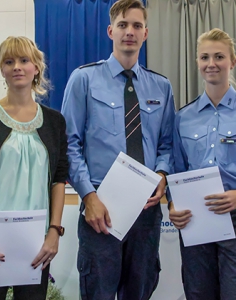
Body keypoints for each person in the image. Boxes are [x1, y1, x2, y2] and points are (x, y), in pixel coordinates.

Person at [61, 0, 175, 298]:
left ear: (145, 33)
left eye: (137, 25)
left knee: (140, 288)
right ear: (111, 31)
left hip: (146, 209)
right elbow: (69, 145)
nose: (130, 32)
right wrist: (89, 196)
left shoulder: (161, 87)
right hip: (101, 206)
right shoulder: (83, 79)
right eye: (123, 25)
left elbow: (166, 144)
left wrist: (162, 174)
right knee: (98, 290)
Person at [167, 28, 236, 299]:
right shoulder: (183, 117)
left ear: (233, 61)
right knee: (198, 293)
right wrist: (172, 204)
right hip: (196, 220)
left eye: (219, 56)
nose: (211, 63)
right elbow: (175, 171)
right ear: (197, 62)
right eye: (204, 57)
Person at [0, 36, 68, 300]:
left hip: (36, 240)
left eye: (23, 60)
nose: (17, 66)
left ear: (36, 68)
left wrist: (54, 232)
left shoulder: (55, 122)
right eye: (9, 61)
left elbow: (59, 180)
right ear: (2, 70)